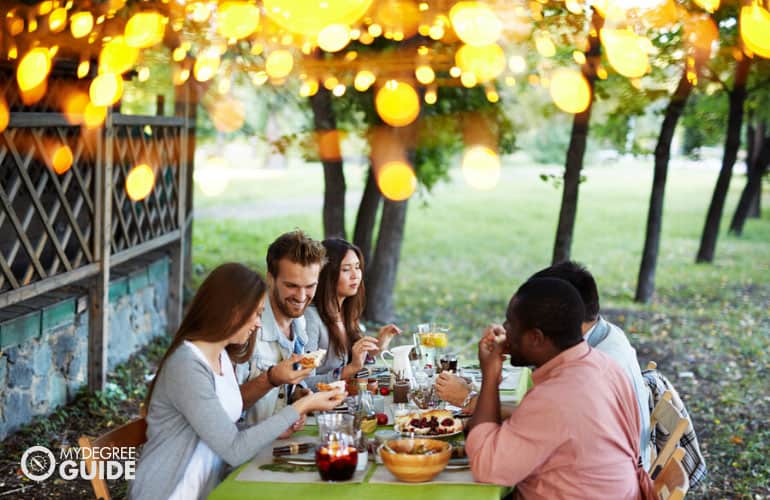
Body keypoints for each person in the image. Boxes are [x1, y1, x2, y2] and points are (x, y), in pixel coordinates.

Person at [131, 263, 343, 500]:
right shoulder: (186, 366)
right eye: (256, 313)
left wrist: (274, 430)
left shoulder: (220, 355)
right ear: (231, 311)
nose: (258, 323)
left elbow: (222, 428)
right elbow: (233, 449)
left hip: (216, 488)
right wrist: (302, 406)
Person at [437, 261, 652, 468]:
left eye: (512, 322)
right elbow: (544, 418)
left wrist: (481, 389)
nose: (505, 328)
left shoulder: (574, 384)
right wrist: (521, 341)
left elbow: (487, 464)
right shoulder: (603, 347)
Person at [239, 230, 326, 426]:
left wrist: (296, 394)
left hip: (279, 444)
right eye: (292, 286)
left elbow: (287, 387)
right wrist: (270, 379)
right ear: (270, 278)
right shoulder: (246, 328)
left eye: (310, 286)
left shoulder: (299, 322)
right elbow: (225, 408)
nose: (302, 297)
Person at [303, 238, 401, 389]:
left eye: (357, 267)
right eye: (346, 269)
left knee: (401, 385)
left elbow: (357, 371)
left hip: (346, 403)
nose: (355, 275)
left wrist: (374, 351)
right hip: (321, 410)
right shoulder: (311, 319)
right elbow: (304, 384)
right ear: (327, 274)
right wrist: (351, 368)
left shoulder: (347, 312)